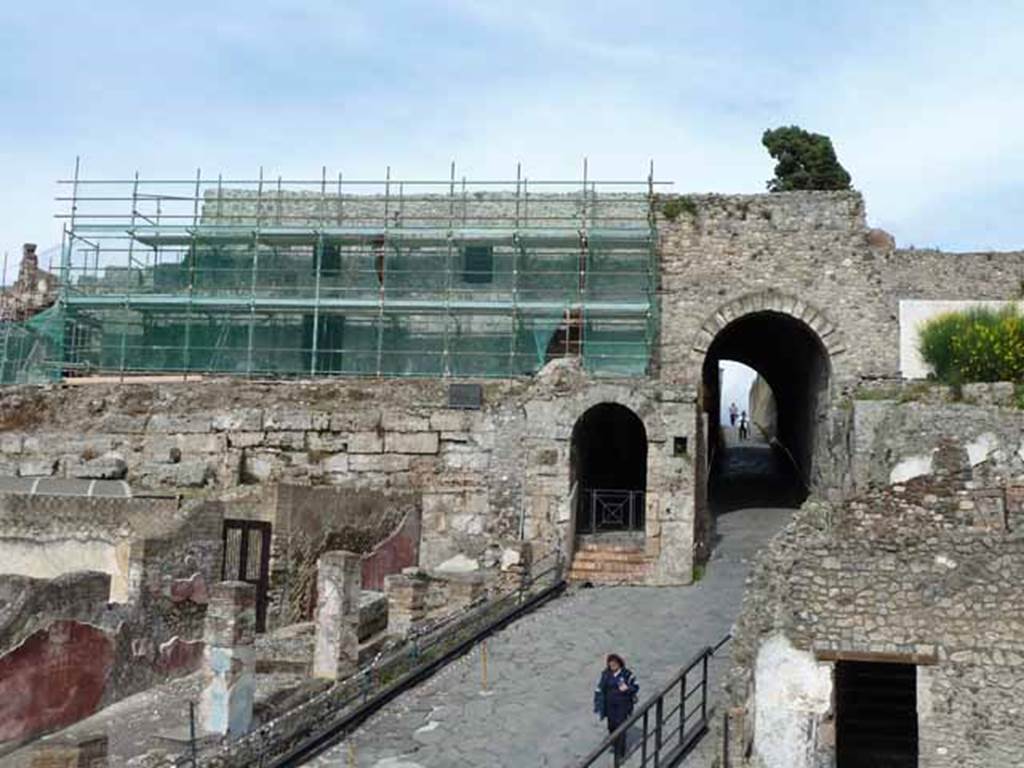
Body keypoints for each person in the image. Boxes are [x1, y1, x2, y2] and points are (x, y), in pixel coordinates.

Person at [593, 653, 639, 759]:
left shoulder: (627, 674)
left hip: (622, 706)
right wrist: (598, 702)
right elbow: (600, 687)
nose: (612, 665)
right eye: (610, 663)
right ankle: (615, 744)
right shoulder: (606, 674)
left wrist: (627, 688)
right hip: (610, 706)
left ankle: (620, 752)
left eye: (614, 663)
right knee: (611, 726)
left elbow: (636, 686)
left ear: (619, 663)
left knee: (620, 727)